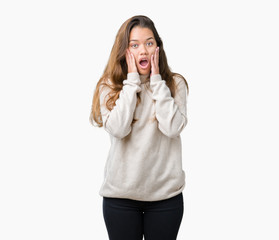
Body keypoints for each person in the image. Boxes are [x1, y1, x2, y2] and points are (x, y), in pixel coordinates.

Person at [89, 15, 189, 240]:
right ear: (125, 51)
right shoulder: (109, 86)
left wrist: (156, 83)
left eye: (149, 43)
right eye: (134, 45)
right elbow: (118, 129)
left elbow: (173, 128)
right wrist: (132, 82)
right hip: (120, 198)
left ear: (158, 48)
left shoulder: (175, 84)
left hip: (166, 197)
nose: (143, 50)